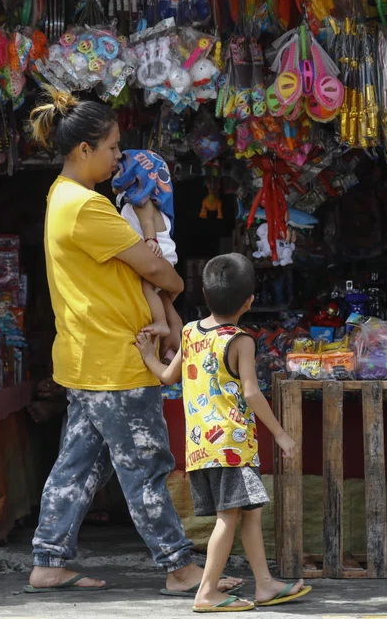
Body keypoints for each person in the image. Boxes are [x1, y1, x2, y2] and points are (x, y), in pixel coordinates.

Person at [24, 87, 243, 596]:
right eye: (113, 147)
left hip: (86, 357)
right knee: (145, 467)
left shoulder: (62, 196)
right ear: (85, 150)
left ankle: (49, 561)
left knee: (77, 464)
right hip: (114, 360)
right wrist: (170, 271)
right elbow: (164, 275)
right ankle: (179, 567)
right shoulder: (87, 208)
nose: (119, 156)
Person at [135, 253, 312, 612]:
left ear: (205, 292)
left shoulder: (190, 332)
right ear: (249, 301)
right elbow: (250, 391)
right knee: (229, 517)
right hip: (232, 445)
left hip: (201, 446)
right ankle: (207, 592)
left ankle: (264, 584)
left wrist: (147, 356)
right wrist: (280, 434)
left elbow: (168, 377)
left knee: (248, 512)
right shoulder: (241, 340)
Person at [113, 149, 184, 356]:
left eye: (119, 172)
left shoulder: (141, 203)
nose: (114, 176)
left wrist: (150, 240)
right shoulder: (137, 203)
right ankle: (170, 344)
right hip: (160, 253)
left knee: (147, 287)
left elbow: (147, 223)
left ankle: (161, 323)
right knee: (158, 295)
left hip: (157, 253)